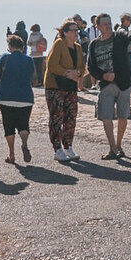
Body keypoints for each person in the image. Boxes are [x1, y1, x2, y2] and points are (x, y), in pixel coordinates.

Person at [86, 13, 131, 160]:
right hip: (106, 84)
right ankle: (112, 147)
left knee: (122, 116)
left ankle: (119, 144)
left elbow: (128, 35)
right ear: (98, 26)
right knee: (106, 116)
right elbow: (91, 66)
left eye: (109, 23)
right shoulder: (94, 44)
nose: (108, 25)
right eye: (105, 24)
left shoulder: (119, 37)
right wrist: (103, 76)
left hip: (123, 82)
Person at [44, 19, 85, 162]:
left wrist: (78, 73)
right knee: (57, 117)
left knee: (71, 117)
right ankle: (57, 149)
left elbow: (82, 66)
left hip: (71, 87)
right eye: (73, 30)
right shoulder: (59, 43)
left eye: (77, 30)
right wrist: (67, 73)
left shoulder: (78, 48)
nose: (76, 33)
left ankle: (68, 146)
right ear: (65, 32)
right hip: (56, 86)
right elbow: (51, 64)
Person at [0, 34, 35, 164]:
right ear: (22, 47)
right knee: (23, 124)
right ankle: (24, 143)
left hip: (6, 97)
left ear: (10, 46)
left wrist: (1, 87)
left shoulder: (5, 57)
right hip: (25, 97)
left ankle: (11, 154)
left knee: (8, 125)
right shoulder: (29, 60)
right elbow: (32, 78)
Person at [27, 23, 48, 88]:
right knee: (39, 70)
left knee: (32, 69)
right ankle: (40, 82)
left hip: (33, 54)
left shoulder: (32, 35)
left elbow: (29, 43)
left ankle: (31, 82)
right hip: (40, 54)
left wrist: (33, 43)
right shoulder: (41, 35)